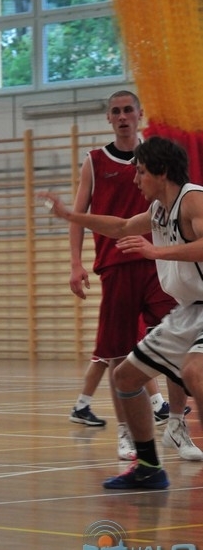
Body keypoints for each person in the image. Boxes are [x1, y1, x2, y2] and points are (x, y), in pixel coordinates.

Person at [42, 136, 203, 489]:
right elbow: (121, 226)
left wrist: (156, 252)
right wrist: (70, 216)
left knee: (194, 372)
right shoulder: (160, 210)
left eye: (141, 172)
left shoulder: (193, 199)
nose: (135, 179)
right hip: (190, 311)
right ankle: (148, 468)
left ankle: (174, 435)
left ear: (162, 172)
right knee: (126, 377)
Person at [67, 90, 197, 462]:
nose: (122, 116)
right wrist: (75, 263)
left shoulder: (159, 160)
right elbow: (90, 218)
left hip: (159, 264)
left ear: (140, 114)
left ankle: (176, 425)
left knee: (178, 347)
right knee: (117, 352)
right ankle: (127, 432)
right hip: (116, 263)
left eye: (128, 110)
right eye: (116, 111)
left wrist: (164, 249)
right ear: (108, 118)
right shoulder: (95, 161)